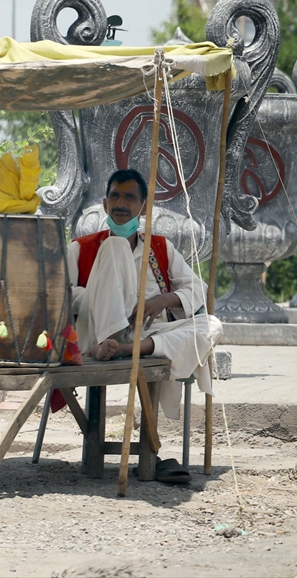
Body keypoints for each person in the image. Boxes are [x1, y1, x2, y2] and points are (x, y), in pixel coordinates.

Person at [68, 169, 221, 419]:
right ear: (105, 205)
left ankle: (129, 348)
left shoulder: (160, 247)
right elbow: (59, 295)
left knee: (211, 325)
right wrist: (111, 300)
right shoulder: (80, 248)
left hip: (145, 334)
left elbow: (198, 290)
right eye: (115, 196)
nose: (120, 204)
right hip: (96, 335)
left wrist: (162, 300)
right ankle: (111, 341)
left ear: (144, 207)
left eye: (129, 197)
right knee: (115, 246)